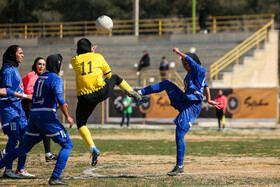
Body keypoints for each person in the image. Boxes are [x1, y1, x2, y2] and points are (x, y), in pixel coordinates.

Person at [137, 47, 219, 176]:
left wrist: (179, 52)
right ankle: (140, 93)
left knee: (179, 133)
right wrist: (208, 99)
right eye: (183, 63)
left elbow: (191, 62)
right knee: (166, 83)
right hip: (184, 100)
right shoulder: (192, 75)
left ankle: (179, 165)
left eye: (185, 62)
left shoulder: (199, 70)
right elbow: (206, 85)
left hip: (192, 106)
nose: (184, 65)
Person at [71, 38, 148, 167]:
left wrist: (89, 53)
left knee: (81, 124)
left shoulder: (74, 60)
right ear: (91, 48)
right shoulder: (98, 57)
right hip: (101, 91)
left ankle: (92, 148)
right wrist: (94, 54)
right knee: (116, 77)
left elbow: (81, 59)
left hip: (85, 97)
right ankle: (134, 95)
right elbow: (108, 75)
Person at [0, 54, 74, 185]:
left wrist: (53, 106)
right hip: (47, 118)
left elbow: (37, 98)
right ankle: (55, 177)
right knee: (68, 145)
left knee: (24, 147)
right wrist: (67, 116)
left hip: (34, 117)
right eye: (61, 63)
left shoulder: (40, 78)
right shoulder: (56, 78)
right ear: (57, 64)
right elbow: (61, 99)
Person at [0, 45, 34, 178]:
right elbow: (5, 91)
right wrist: (25, 96)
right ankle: (7, 170)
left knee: (25, 138)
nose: (23, 55)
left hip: (18, 109)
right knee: (13, 138)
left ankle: (20, 169)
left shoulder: (14, 69)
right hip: (9, 109)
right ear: (12, 55)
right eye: (20, 53)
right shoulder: (7, 71)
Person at [21, 57, 57, 162]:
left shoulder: (37, 75)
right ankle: (6, 152)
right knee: (26, 133)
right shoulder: (32, 76)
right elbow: (28, 93)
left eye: (43, 64)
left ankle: (48, 153)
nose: (41, 66)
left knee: (43, 129)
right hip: (28, 106)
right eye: (39, 64)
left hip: (34, 106)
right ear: (35, 64)